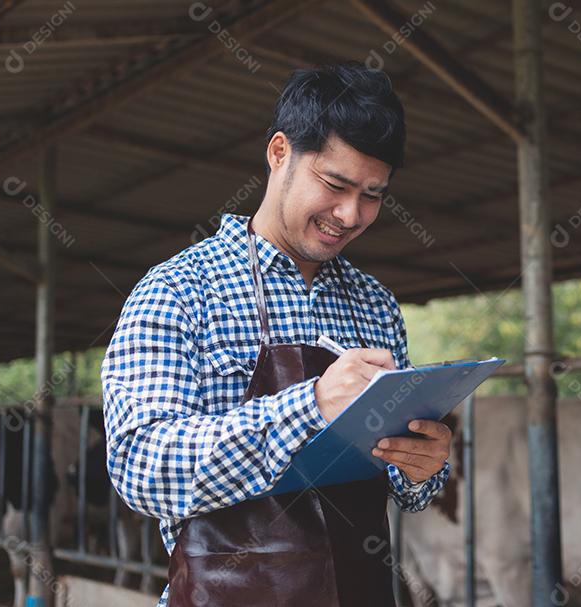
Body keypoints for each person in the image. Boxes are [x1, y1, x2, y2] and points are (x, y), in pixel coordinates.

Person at [101, 63, 451, 607]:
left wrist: (423, 466)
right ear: (280, 153)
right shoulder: (180, 289)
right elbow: (143, 469)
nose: (350, 213)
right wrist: (310, 404)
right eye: (334, 184)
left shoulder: (375, 305)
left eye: (373, 194)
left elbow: (409, 487)